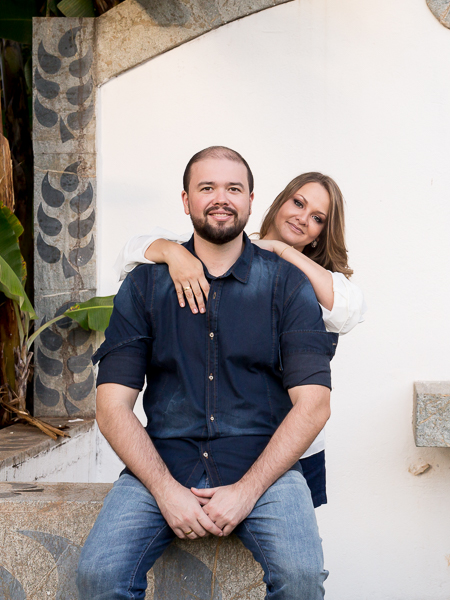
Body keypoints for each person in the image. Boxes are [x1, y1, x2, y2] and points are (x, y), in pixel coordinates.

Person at [77, 146, 336, 599]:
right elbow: (111, 405)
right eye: (207, 188)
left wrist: (247, 490)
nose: (222, 198)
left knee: (301, 578)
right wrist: (164, 489)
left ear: (252, 200)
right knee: (100, 576)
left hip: (263, 466)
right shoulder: (144, 285)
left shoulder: (289, 284)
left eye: (233, 188)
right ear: (186, 201)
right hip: (164, 461)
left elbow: (314, 404)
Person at [113, 172, 366, 508]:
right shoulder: (224, 248)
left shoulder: (319, 281)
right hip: (227, 444)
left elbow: (348, 310)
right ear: (279, 201)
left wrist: (279, 251)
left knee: (288, 548)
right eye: (298, 203)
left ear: (322, 233)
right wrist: (173, 254)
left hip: (294, 444)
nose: (303, 218)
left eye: (317, 218)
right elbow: (130, 255)